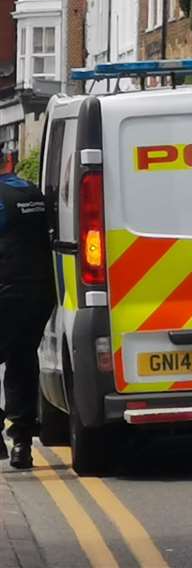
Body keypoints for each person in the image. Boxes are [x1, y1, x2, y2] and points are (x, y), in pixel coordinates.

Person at [0, 172, 54, 469]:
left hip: (6, 291)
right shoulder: (28, 190)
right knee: (21, 359)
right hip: (38, 292)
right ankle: (22, 443)